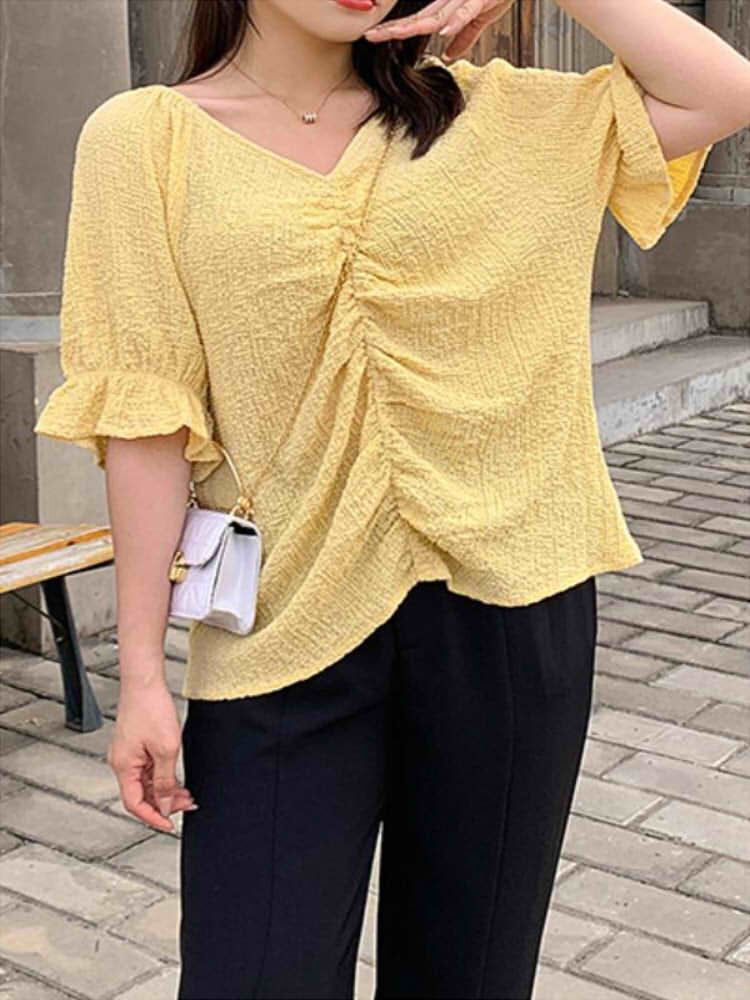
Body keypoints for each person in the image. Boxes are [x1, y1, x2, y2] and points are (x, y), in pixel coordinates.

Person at [34, 0, 748, 996]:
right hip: (281, 630)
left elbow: (722, 91)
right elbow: (145, 417)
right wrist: (144, 674)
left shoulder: (501, 116)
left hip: (509, 615)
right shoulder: (145, 140)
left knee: (472, 977)